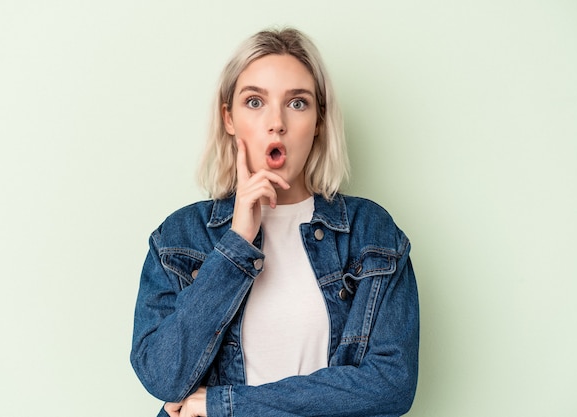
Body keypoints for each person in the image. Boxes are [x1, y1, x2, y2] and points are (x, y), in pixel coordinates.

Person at [131, 27, 419, 417]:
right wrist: (237, 242)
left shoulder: (371, 233)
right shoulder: (180, 237)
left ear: (319, 120)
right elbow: (164, 378)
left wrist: (227, 405)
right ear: (228, 118)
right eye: (254, 101)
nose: (276, 122)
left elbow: (391, 386)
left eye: (297, 103)